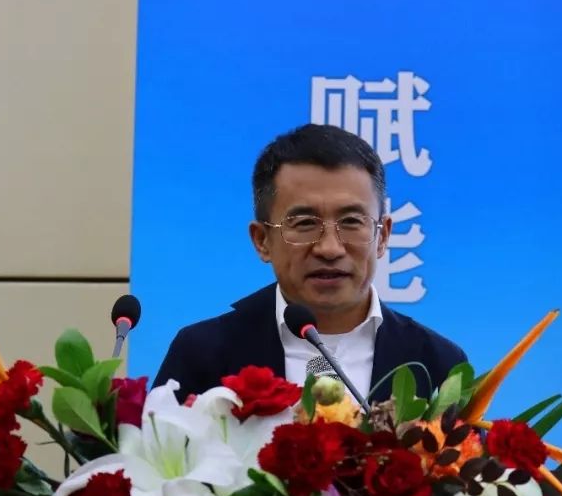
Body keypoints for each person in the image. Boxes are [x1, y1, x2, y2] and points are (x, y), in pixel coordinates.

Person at [153, 124, 467, 402]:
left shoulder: (438, 363)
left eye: (351, 221)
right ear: (262, 240)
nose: (329, 249)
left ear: (382, 236)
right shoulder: (203, 355)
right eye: (304, 224)